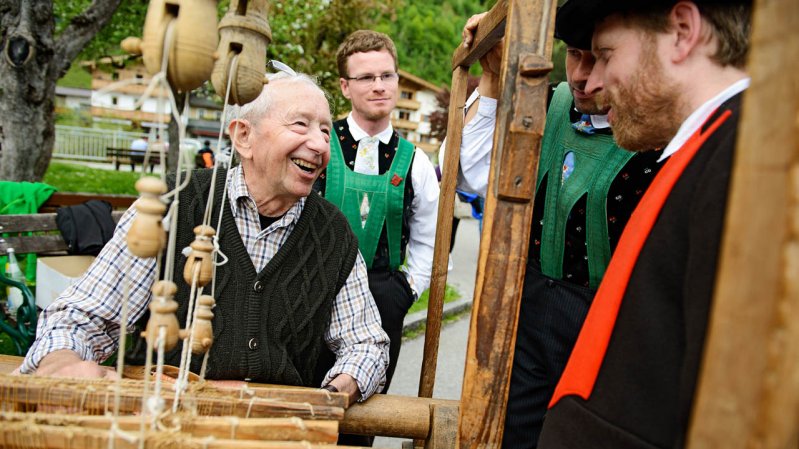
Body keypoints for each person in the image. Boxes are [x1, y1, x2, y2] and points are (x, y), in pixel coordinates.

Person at [20, 71, 390, 406]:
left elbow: (367, 344)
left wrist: (331, 395)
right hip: (167, 422)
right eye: (301, 125)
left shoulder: (332, 232)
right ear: (243, 136)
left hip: (274, 431)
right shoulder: (170, 208)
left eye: (325, 131)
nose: (320, 145)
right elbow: (81, 316)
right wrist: (61, 362)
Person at [536, 1, 751, 448]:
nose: (592, 81)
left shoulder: (747, 166)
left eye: (608, 54)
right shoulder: (710, 150)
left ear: (682, 31)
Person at [457, 6, 663, 447]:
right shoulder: (546, 104)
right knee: (516, 433)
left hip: (605, 325)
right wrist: (491, 78)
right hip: (530, 311)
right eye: (573, 55)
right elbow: (468, 174)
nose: (582, 76)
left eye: (598, 59)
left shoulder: (656, 132)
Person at [313, 30, 439, 396]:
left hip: (384, 299)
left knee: (366, 416)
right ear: (344, 86)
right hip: (315, 293)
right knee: (305, 409)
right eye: (366, 77)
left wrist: (406, 290)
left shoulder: (415, 161)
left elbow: (428, 236)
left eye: (387, 76)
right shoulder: (318, 143)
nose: (379, 85)